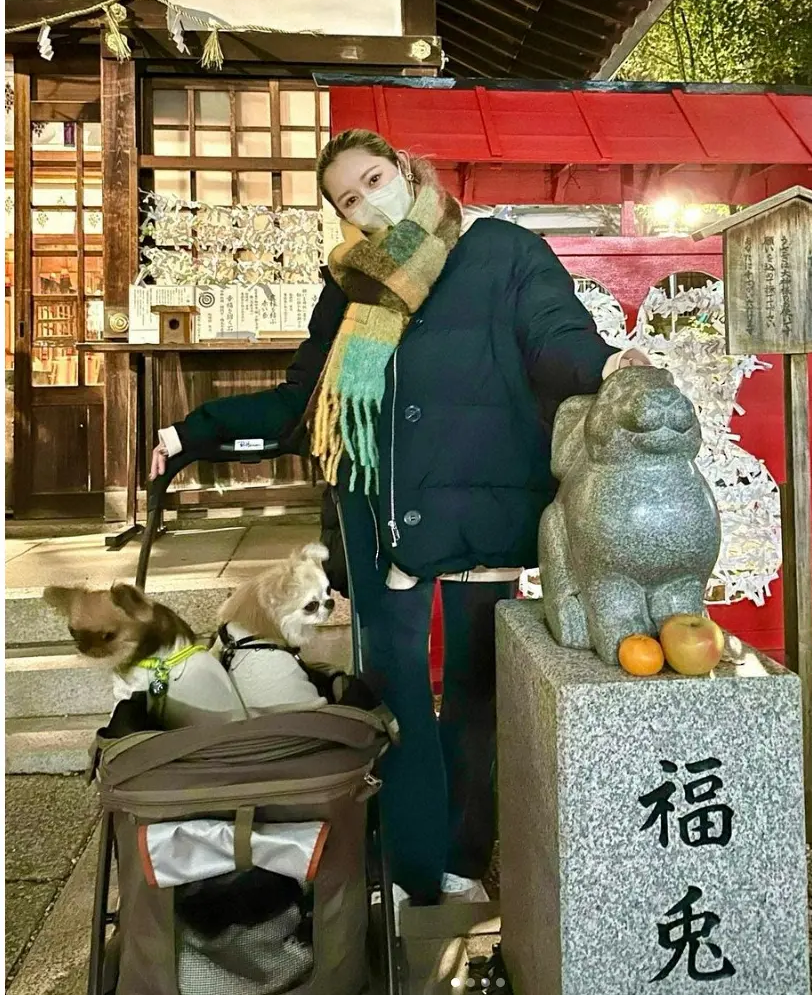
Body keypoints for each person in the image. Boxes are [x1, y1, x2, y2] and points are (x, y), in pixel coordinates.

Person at [150, 129, 649, 910]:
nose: (366, 202)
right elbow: (302, 400)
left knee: (476, 690)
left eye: (373, 179)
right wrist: (189, 433)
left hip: (478, 497)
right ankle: (411, 866)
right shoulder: (348, 284)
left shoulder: (502, 251)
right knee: (394, 691)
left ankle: (460, 855)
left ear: (409, 171)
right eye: (348, 199)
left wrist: (611, 364)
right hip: (377, 510)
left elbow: (555, 336)